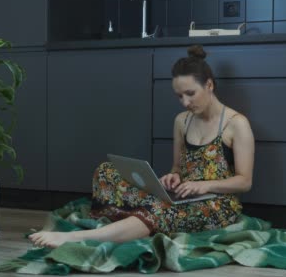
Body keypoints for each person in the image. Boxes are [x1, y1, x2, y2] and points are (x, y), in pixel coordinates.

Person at [29, 45, 255, 248]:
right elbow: (178, 167)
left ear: (209, 85)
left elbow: (244, 182)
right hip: (181, 196)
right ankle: (142, 219)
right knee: (106, 172)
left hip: (215, 204)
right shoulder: (182, 121)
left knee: (159, 209)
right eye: (179, 96)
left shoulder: (237, 124)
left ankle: (77, 238)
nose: (185, 102)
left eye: (190, 94)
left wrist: (205, 186)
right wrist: (173, 177)